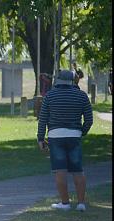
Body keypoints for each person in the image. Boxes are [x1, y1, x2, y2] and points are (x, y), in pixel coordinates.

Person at [37, 69, 94, 211]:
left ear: (58, 80)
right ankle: (81, 204)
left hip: (55, 136)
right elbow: (89, 120)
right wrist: (82, 132)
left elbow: (42, 119)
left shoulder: (50, 96)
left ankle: (65, 203)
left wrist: (40, 138)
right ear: (73, 80)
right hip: (74, 135)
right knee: (78, 170)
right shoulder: (81, 96)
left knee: (60, 170)